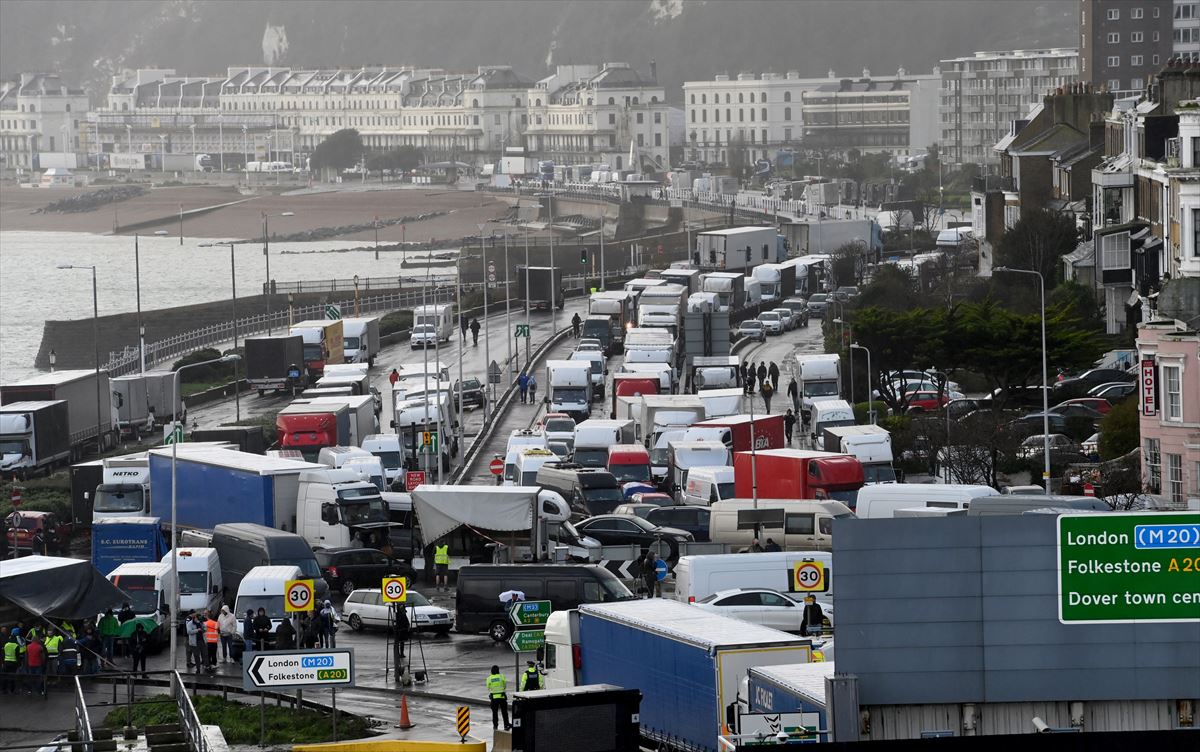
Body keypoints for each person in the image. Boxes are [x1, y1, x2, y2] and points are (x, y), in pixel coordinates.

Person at [486, 664, 511, 731]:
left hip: (494, 698)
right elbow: (505, 685)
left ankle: (495, 726)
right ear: (498, 670)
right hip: (502, 697)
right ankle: (506, 725)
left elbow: (488, 687)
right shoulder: (502, 676)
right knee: (504, 712)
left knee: (495, 713)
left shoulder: (489, 678)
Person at [392, 604, 410, 674]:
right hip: (399, 629)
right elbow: (396, 621)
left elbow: (406, 619)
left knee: (402, 641)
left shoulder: (403, 612)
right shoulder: (397, 614)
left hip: (403, 628)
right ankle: (398, 653)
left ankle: (401, 653)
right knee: (398, 641)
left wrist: (407, 625)